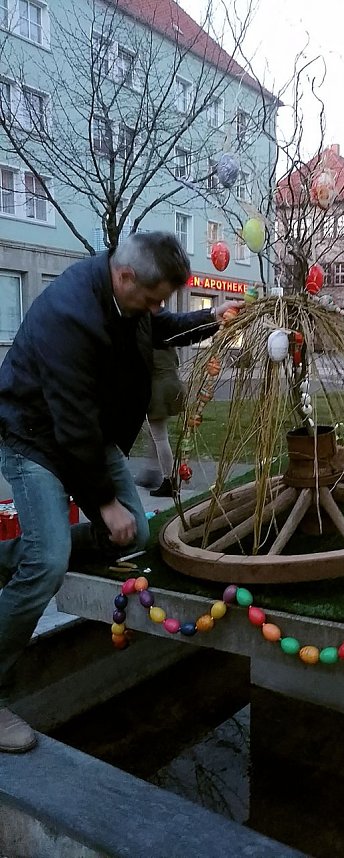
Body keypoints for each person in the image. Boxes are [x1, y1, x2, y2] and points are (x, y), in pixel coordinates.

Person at [0, 231, 240, 753]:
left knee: (135, 529)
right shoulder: (69, 313)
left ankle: (15, 555)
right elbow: (71, 429)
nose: (156, 308)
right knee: (49, 563)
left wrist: (208, 321)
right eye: (154, 298)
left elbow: (159, 328)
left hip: (87, 432)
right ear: (126, 276)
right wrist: (103, 502)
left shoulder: (125, 296)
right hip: (35, 437)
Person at [146, 346, 185, 498]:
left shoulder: (148, 341)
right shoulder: (168, 341)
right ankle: (162, 475)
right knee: (157, 434)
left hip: (158, 391)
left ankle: (169, 480)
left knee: (160, 437)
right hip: (173, 386)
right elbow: (176, 362)